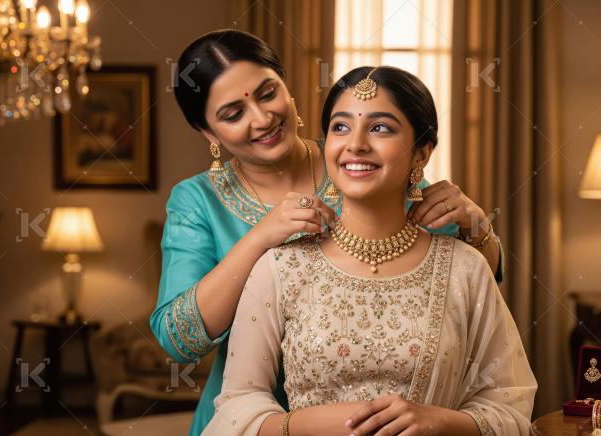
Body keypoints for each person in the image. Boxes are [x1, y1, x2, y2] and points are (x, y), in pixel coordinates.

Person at [150, 30, 506, 435]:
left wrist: (479, 228)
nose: (262, 119)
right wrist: (260, 238)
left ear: (288, 89)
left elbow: (466, 285)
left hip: (385, 422)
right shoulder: (198, 200)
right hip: (250, 421)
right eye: (233, 114)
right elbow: (179, 340)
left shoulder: (356, 160)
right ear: (209, 133)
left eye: (268, 93)